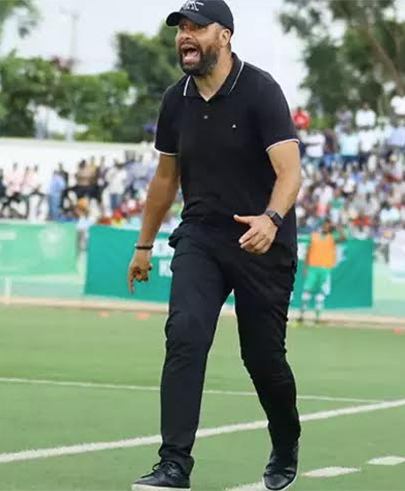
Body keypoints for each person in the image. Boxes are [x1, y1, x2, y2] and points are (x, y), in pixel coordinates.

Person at [127, 1, 303, 489]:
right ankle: (174, 464)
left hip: (261, 240)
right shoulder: (174, 100)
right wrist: (144, 246)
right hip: (201, 236)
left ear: (223, 36)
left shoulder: (261, 90)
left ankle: (285, 440)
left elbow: (290, 172)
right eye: (181, 29)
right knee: (184, 335)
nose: (186, 36)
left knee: (262, 358)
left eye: (196, 28)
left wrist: (271, 219)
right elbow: (166, 179)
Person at [298, 219, 345, 324]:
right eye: (324, 225)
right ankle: (301, 316)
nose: (325, 227)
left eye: (327, 226)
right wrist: (305, 268)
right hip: (312, 268)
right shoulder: (314, 236)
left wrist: (338, 227)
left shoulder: (332, 238)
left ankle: (317, 318)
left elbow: (343, 238)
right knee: (307, 291)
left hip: (325, 268)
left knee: (321, 292)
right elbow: (307, 253)